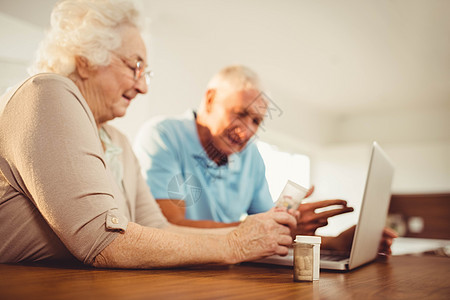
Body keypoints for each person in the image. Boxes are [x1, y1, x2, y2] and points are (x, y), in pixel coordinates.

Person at [0, 0, 301, 267]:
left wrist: (259, 234)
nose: (143, 86)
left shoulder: (117, 142)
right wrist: (234, 244)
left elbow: (159, 229)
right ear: (86, 58)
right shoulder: (46, 92)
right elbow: (104, 243)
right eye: (135, 67)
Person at [134, 65, 355, 236]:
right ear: (210, 100)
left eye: (256, 121)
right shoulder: (162, 136)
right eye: (239, 114)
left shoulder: (252, 157)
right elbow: (168, 227)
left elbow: (271, 229)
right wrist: (272, 228)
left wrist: (336, 243)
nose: (246, 131)